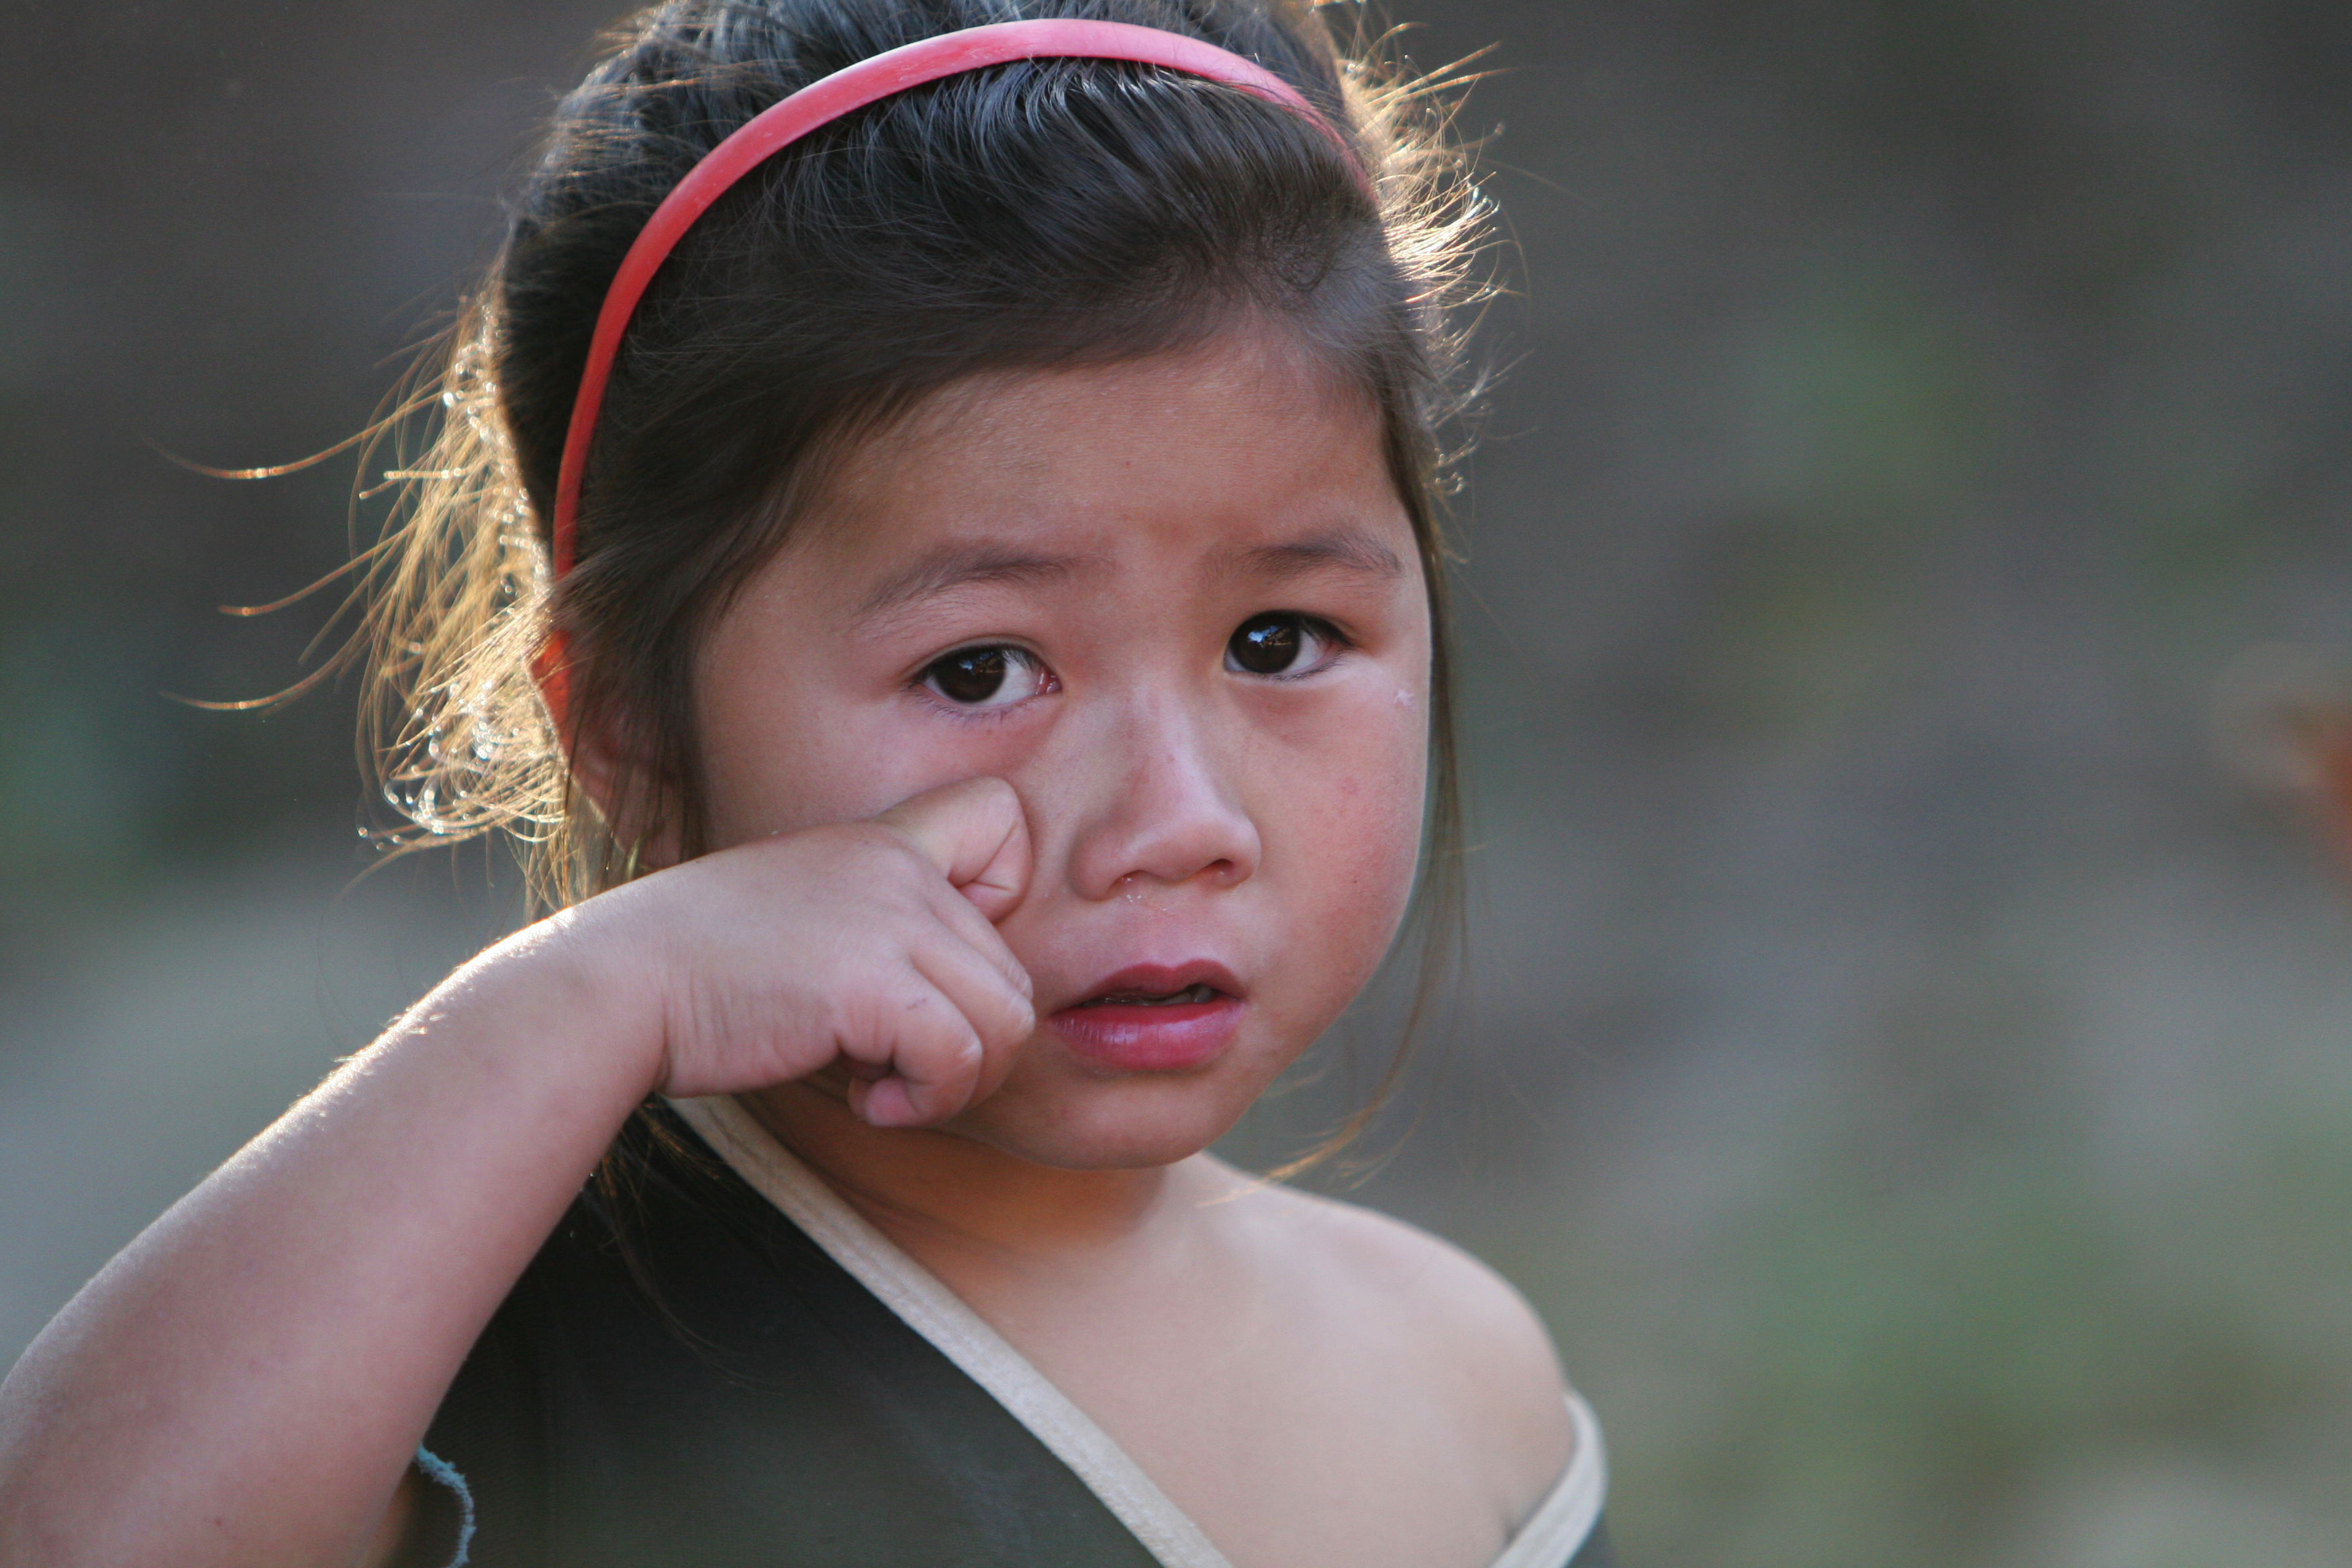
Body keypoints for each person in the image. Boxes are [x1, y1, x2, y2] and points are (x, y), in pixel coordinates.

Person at [0, 3, 1612, 1564]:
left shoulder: (1473, 1386)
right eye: (979, 669)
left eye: (1279, 636)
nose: (1176, 822)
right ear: (626, 725)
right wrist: (589, 991)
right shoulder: (484, 1357)